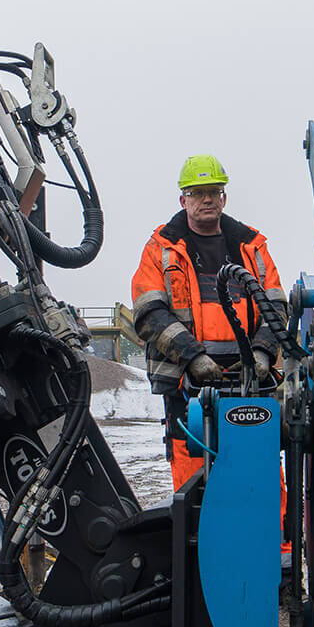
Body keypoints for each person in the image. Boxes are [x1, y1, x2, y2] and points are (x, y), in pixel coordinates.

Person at [129, 153, 287, 491]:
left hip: (249, 381)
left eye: (213, 192)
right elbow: (148, 313)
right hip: (187, 384)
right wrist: (193, 357)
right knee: (193, 476)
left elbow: (275, 307)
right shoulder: (161, 249)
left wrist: (261, 353)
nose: (206, 200)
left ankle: (271, 542)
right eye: (197, 193)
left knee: (259, 469)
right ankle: (197, 545)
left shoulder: (252, 246)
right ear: (182, 199)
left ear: (224, 197)